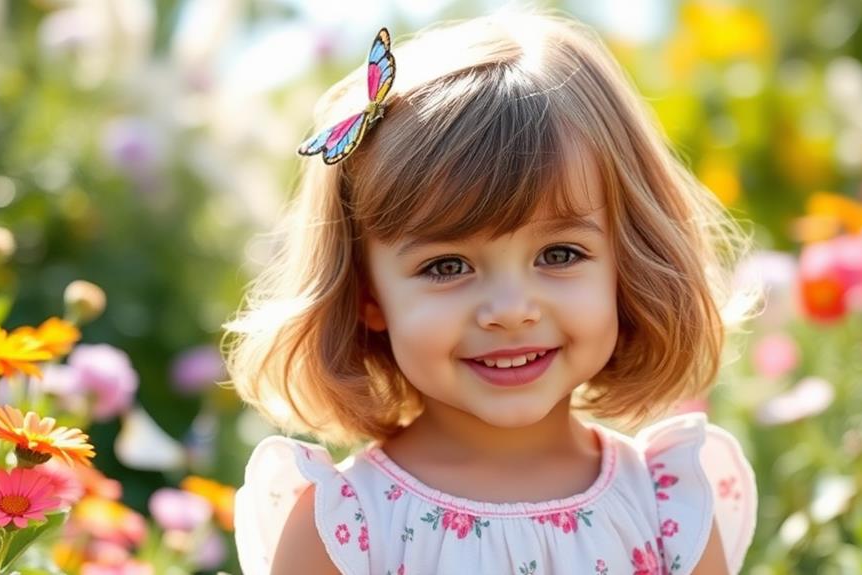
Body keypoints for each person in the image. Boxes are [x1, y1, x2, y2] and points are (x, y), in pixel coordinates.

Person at [225, 9, 763, 575]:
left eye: (559, 255)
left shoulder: (665, 506)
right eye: (447, 266)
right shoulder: (347, 529)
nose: (510, 311)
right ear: (368, 296)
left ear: (628, 263)